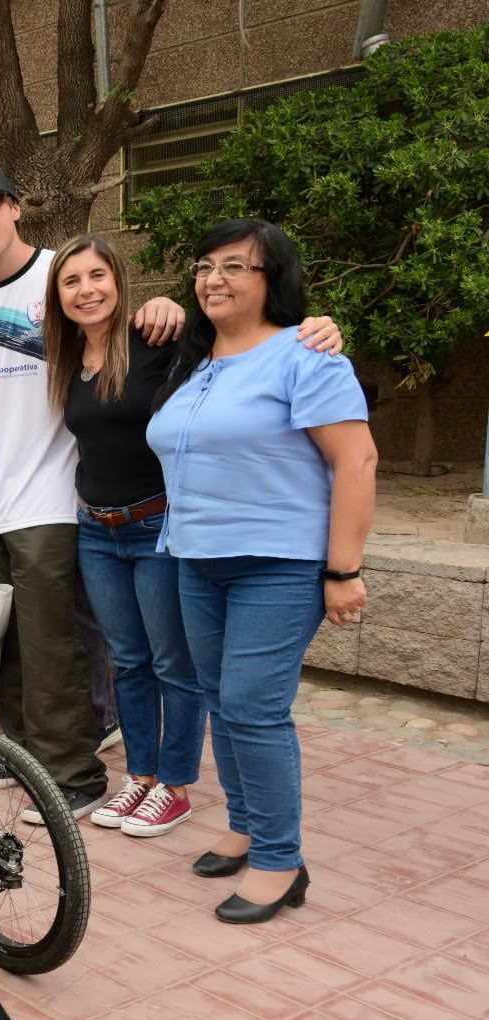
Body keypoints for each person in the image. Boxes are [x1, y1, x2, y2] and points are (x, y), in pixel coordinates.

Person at [47, 235, 346, 841]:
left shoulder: (160, 340)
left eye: (98, 275)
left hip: (160, 525)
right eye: (71, 281)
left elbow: (241, 341)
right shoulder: (66, 358)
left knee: (173, 665)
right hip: (98, 531)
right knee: (128, 661)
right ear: (57, 296)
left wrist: (320, 326)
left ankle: (175, 786)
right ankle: (141, 774)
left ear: (120, 280)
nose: (87, 290)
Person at [148, 219, 375, 923]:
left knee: (253, 705)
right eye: (204, 264)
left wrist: (344, 569)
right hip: (194, 558)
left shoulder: (307, 356)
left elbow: (357, 460)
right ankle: (245, 827)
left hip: (277, 564)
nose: (214, 278)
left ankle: (281, 860)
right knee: (221, 698)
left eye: (235, 266)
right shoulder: (197, 363)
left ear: (271, 278)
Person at [0, 167, 186, 818]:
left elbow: (123, 329)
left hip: (52, 492)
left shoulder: (63, 275)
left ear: (16, 209)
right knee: (9, 638)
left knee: (54, 644)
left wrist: (168, 306)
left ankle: (74, 772)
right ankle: (21, 752)